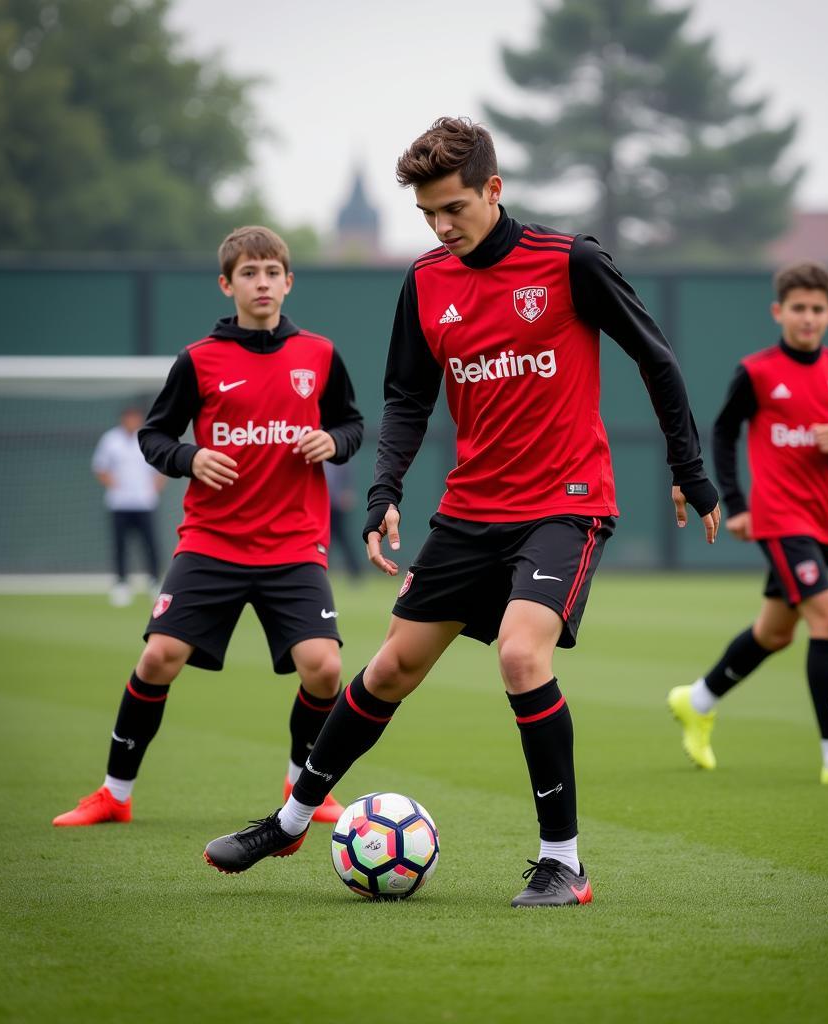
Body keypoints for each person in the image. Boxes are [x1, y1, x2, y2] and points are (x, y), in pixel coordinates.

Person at [203, 117, 720, 906]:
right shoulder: (426, 280)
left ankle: (563, 862)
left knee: (520, 655)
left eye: (454, 209)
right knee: (389, 668)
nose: (443, 228)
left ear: (493, 190)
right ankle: (293, 817)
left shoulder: (569, 262)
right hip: (470, 508)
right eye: (428, 216)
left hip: (565, 503)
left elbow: (656, 355)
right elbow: (407, 397)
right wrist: (384, 493)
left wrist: (690, 469)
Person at [53, 226, 364, 827]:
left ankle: (305, 787)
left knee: (324, 667)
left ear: (288, 281)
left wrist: (334, 440)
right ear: (228, 285)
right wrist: (190, 457)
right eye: (249, 273)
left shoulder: (319, 355)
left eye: (273, 271)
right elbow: (153, 436)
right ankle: (114, 794)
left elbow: (351, 425)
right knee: (159, 656)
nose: (262, 282)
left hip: (293, 544)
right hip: (213, 542)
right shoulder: (198, 360)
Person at [667, 260, 828, 787]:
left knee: (775, 632)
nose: (807, 317)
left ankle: (696, 700)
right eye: (798, 308)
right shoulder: (758, 371)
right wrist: (738, 503)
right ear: (779, 311)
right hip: (779, 517)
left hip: (824, 521)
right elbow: (722, 434)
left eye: (817, 309)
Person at [91, 405, 165, 606]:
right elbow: (100, 467)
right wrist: (115, 486)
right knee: (120, 545)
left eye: (137, 418)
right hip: (119, 503)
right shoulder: (110, 440)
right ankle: (121, 585)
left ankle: (154, 582)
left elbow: (161, 467)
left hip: (145, 503)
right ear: (124, 419)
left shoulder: (148, 438)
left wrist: (154, 488)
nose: (134, 422)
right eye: (130, 418)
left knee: (151, 545)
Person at [324, 460, 363, 580]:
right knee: (325, 539)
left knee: (342, 538)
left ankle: (355, 570)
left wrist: (347, 492)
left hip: (336, 505)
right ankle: (321, 568)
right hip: (322, 504)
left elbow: (347, 478)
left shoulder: (340, 457)